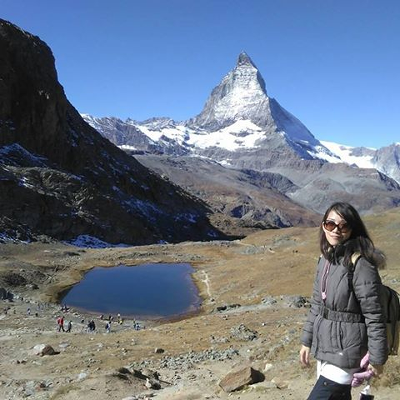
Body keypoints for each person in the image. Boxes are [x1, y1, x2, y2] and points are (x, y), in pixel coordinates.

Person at [300, 202, 388, 399]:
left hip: (347, 352)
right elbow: (317, 305)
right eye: (330, 224)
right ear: (323, 226)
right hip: (325, 349)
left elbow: (374, 315)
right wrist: (306, 341)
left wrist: (377, 358)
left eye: (344, 225)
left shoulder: (361, 264)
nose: (336, 230)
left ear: (352, 229)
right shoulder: (325, 259)